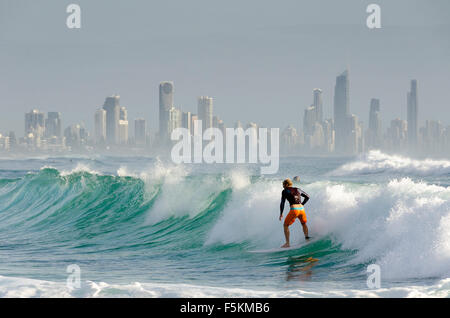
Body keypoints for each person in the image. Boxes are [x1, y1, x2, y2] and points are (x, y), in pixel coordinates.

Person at [279, 178, 310, 248]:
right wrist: (302, 204)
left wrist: (281, 214)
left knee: (285, 225)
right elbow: (307, 197)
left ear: (286, 184)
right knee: (304, 224)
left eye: (283, 185)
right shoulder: (298, 189)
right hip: (302, 209)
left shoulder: (284, 191)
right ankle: (307, 238)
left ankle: (287, 243)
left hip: (294, 209)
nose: (283, 186)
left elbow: (282, 202)